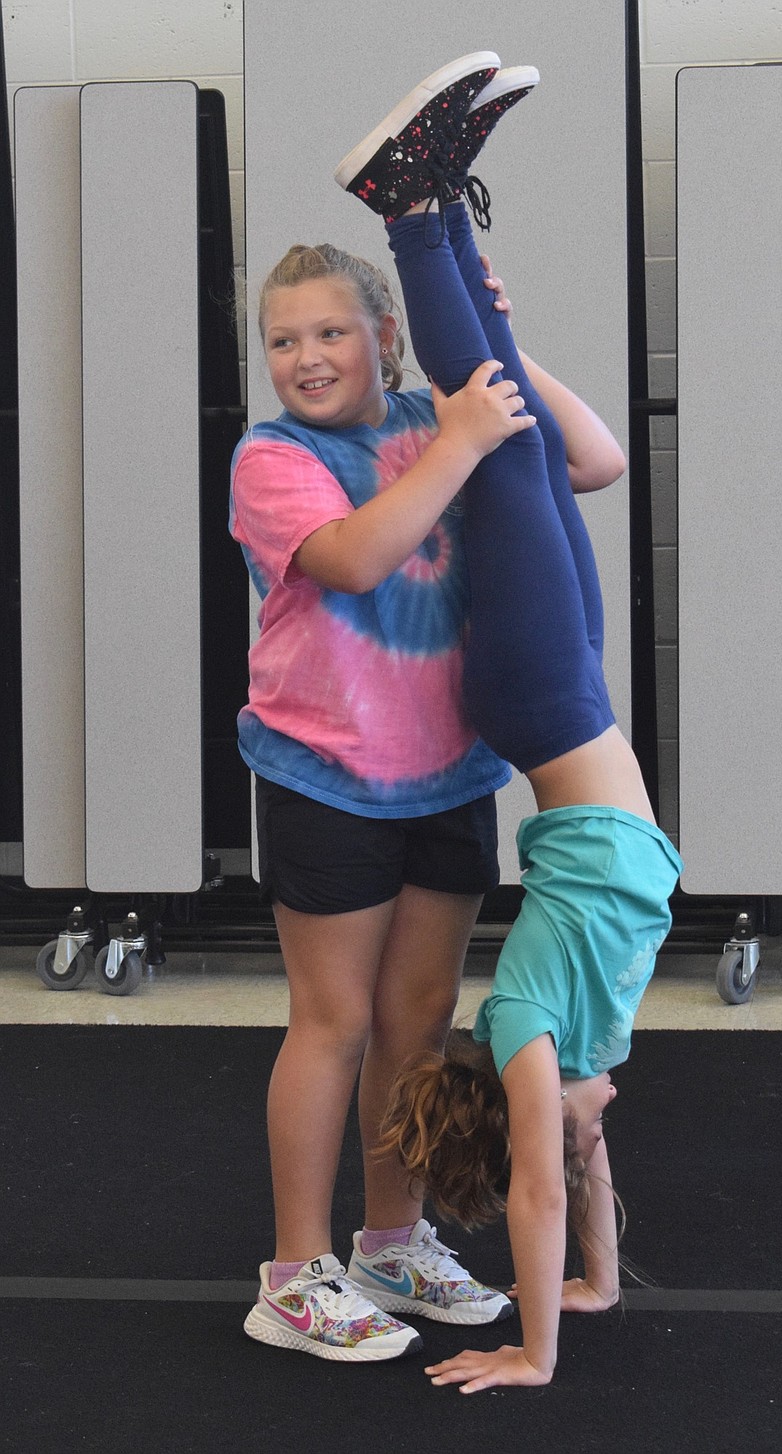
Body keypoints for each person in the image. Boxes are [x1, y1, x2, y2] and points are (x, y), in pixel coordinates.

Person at [230, 51, 591, 1365]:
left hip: (447, 774)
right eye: (283, 340)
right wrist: (456, 439)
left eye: (332, 332)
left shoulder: (435, 411)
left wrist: (493, 342)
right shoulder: (273, 456)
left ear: (385, 336)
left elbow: (593, 461)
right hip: (324, 776)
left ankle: (391, 1242)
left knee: (416, 1022)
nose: (306, 357)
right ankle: (293, 1275)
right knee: (331, 1023)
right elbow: (353, 558)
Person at [330, 56, 684, 1392]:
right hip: (571, 702)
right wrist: (598, 1281)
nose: (593, 1139)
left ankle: (411, 213)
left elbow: (540, 1185)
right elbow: (578, 1185)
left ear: (522, 1109)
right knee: (532, 442)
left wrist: (534, 1349)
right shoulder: (584, 1064)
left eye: (571, 1134)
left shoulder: (536, 1034)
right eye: (586, 1141)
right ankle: (444, 232)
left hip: (540, 705)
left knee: (512, 446)